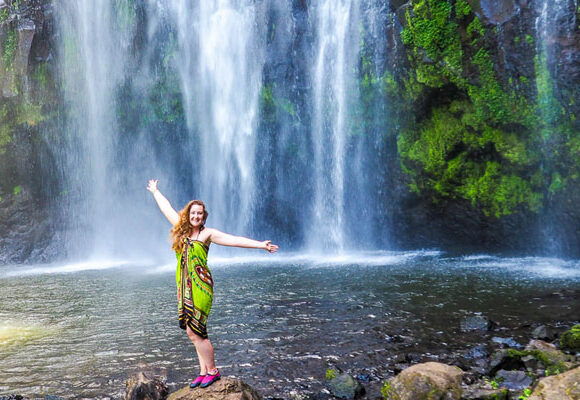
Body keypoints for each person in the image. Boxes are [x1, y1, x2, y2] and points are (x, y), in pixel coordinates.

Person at [146, 179, 279, 389]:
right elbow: (166, 207)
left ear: (203, 216)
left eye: (199, 213)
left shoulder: (207, 234)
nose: (196, 216)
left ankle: (213, 371)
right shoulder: (181, 231)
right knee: (194, 331)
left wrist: (261, 245)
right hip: (184, 287)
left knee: (196, 331)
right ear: (188, 214)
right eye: (193, 213)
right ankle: (203, 371)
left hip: (201, 286)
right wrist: (155, 191)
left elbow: (234, 240)